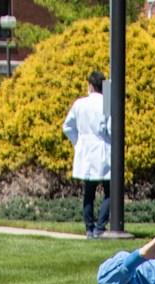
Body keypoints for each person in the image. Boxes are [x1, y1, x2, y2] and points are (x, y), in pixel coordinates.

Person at [62, 71, 111, 238]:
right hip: (103, 148)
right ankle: (100, 227)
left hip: (86, 150)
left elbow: (67, 127)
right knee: (109, 191)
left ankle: (89, 228)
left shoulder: (80, 103)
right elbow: (110, 128)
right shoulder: (106, 101)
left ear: (90, 85)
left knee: (88, 192)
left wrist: (78, 142)